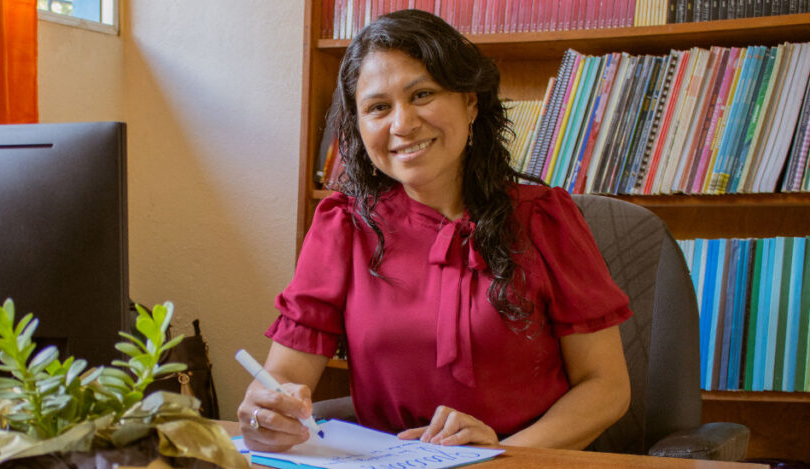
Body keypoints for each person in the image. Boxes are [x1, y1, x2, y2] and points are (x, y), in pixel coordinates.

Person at [238, 9, 632, 453]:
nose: (402, 124)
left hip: (520, 461)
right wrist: (267, 416)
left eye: (422, 94)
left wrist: (501, 457)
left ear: (471, 102)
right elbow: (284, 384)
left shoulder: (544, 219)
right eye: (378, 108)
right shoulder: (343, 227)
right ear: (359, 128)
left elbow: (606, 387)